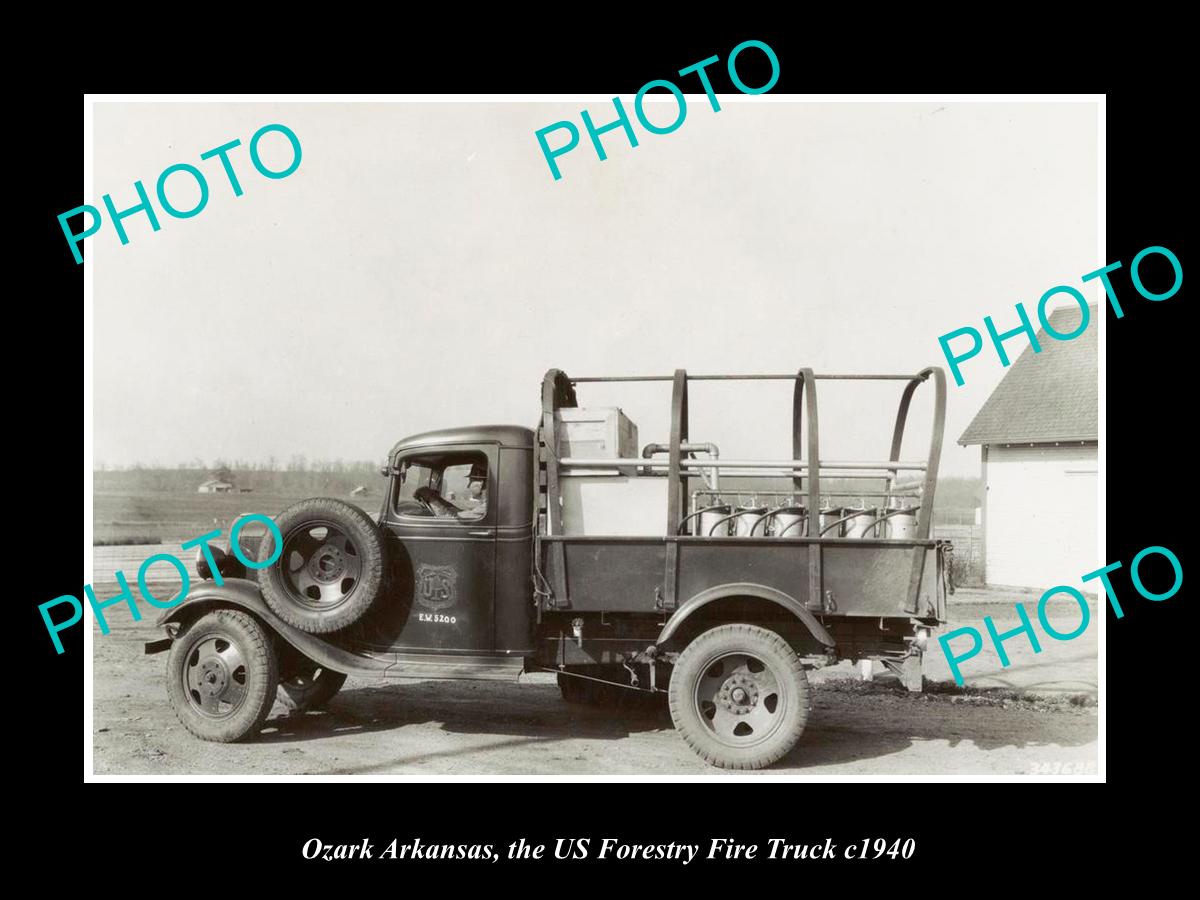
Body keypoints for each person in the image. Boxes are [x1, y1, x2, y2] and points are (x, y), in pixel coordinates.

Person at [413, 462, 487, 520]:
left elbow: (452, 519)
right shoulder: (487, 506)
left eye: (471, 481)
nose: (468, 486)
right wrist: (438, 499)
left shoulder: (484, 508)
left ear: (480, 482)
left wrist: (430, 497)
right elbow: (461, 513)